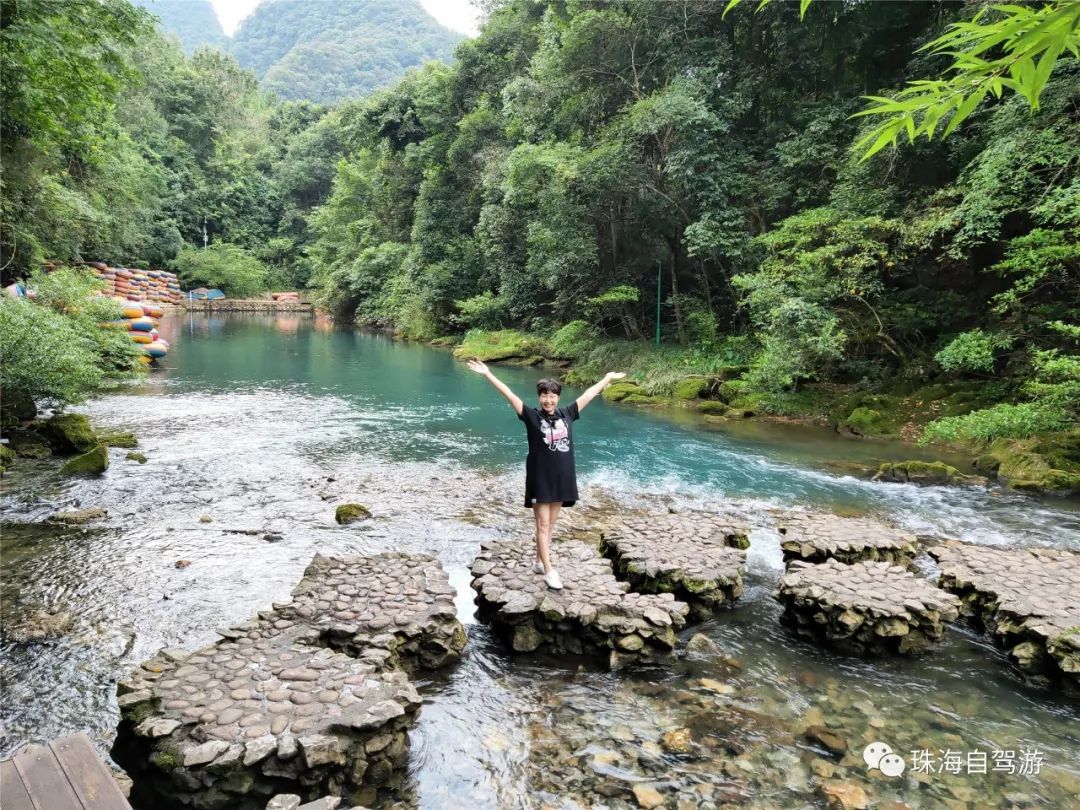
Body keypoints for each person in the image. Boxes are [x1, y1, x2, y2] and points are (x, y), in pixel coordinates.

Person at [468, 358, 626, 589]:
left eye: (552, 396)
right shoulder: (532, 416)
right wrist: (488, 374)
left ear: (558, 398)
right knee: (542, 525)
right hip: (540, 478)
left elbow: (589, 395)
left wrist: (607, 378)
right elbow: (509, 394)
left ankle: (538, 561)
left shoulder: (567, 414)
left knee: (550, 525)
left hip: (563, 477)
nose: (548, 400)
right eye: (544, 395)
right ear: (539, 397)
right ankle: (550, 571)